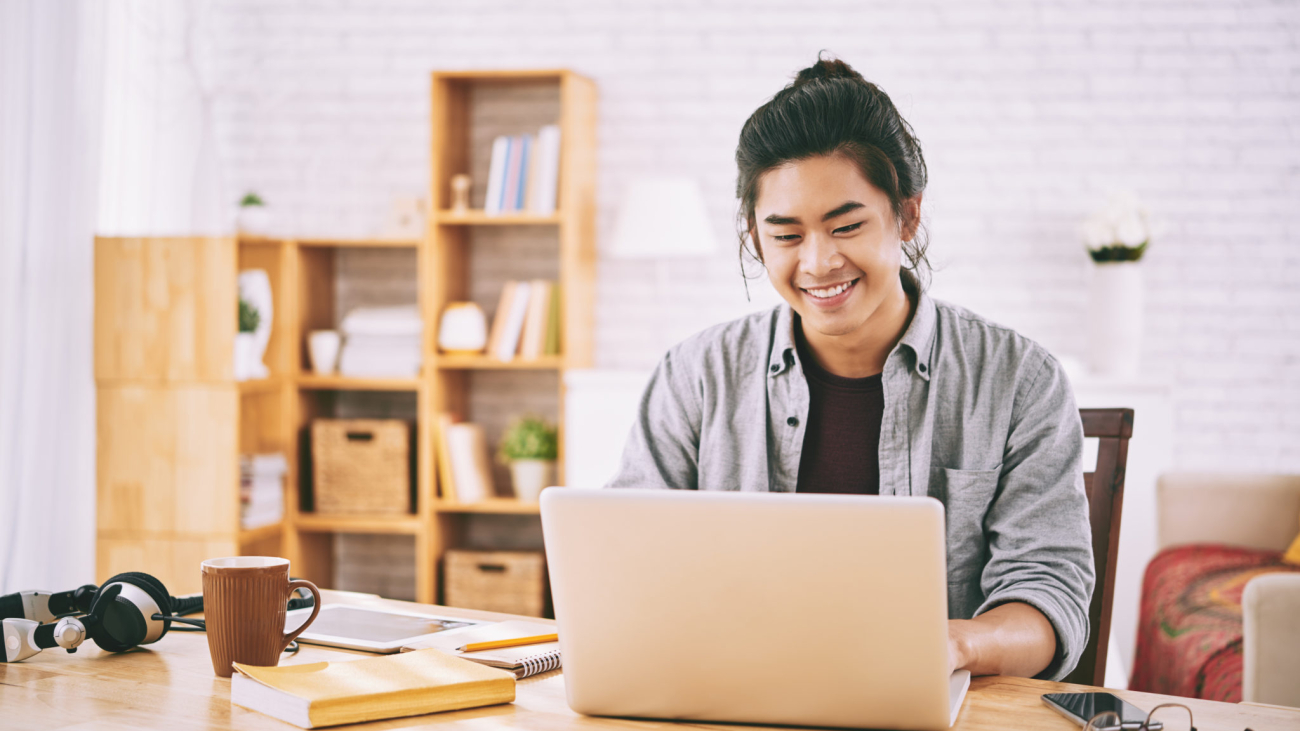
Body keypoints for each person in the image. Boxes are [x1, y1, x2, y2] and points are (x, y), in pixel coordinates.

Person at [606, 55, 1094, 682]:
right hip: (735, 698)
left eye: (846, 226)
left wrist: (955, 645)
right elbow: (626, 560)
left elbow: (1048, 598)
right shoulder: (694, 375)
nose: (817, 262)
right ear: (756, 238)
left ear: (907, 216)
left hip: (931, 708)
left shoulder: (1018, 380)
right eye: (786, 236)